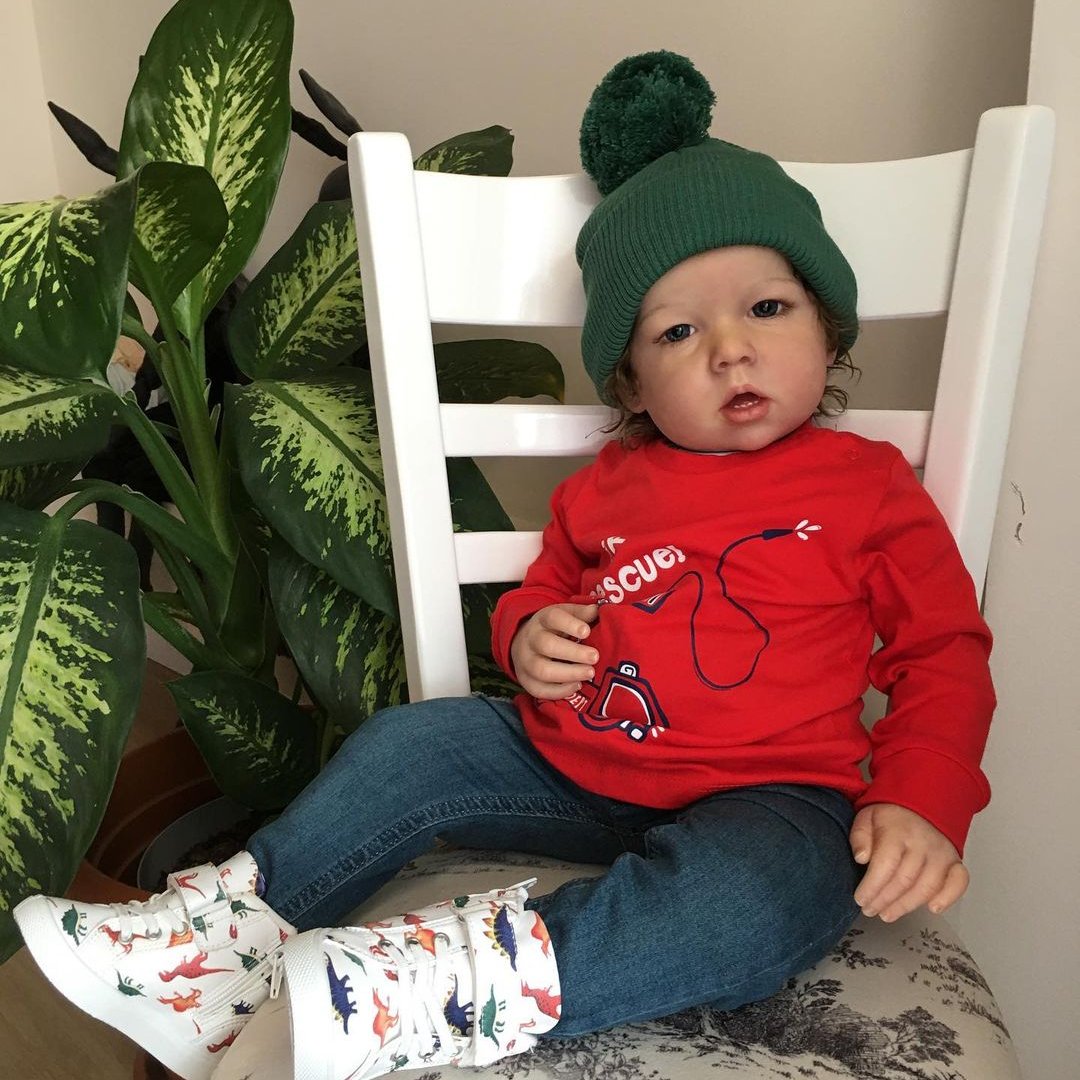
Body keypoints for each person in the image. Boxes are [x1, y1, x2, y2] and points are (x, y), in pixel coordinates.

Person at [13, 50, 995, 1080]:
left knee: (749, 906)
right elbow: (544, 590)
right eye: (677, 330)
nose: (729, 350)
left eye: (768, 309)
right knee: (411, 745)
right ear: (631, 379)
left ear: (828, 328)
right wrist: (528, 635)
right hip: (575, 762)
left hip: (777, 796)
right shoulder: (607, 488)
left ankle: (430, 986)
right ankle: (213, 947)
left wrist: (921, 796)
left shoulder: (867, 485)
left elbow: (943, 649)